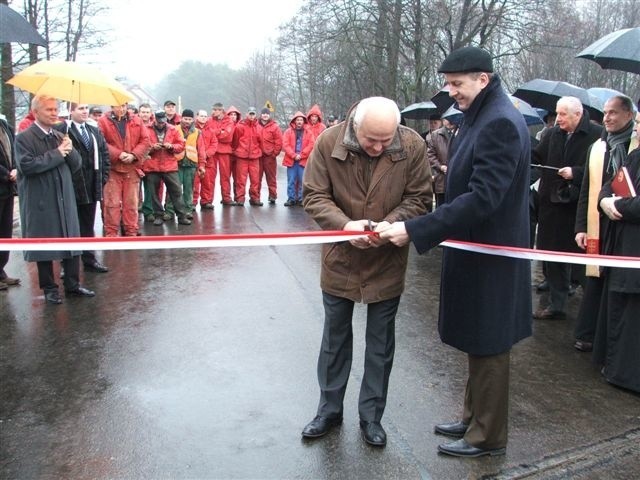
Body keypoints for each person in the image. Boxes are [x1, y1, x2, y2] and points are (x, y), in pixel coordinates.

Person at [381, 47, 532, 457]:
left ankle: (488, 436)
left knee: (490, 342)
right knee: (476, 337)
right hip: (476, 248)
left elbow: (483, 198)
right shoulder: (481, 114)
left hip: (492, 253)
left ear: (482, 78)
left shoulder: (499, 120)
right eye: (449, 83)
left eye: (457, 84)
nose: (451, 92)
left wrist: (415, 228)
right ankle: (472, 417)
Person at [301, 96, 432, 447]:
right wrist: (345, 226)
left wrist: (389, 225)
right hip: (340, 257)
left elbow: (421, 198)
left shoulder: (412, 144)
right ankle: (329, 409)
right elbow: (313, 195)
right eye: (371, 139)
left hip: (387, 257)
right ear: (355, 126)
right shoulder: (329, 141)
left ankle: (372, 416)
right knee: (334, 339)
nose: (377, 147)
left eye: (385, 140)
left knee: (380, 343)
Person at [15, 95, 95, 304]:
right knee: (44, 242)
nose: (54, 113)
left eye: (56, 109)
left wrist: (70, 149)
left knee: (70, 237)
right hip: (40, 198)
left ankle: (72, 284)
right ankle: (49, 287)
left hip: (64, 196)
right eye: (49, 109)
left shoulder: (60, 135)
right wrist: (58, 153)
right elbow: (28, 166)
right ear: (36, 112)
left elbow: (76, 166)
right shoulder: (24, 138)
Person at [573, 95, 636, 352]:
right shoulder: (598, 147)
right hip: (598, 221)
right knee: (595, 278)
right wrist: (581, 226)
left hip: (624, 224)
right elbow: (587, 190)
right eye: (605, 112)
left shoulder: (635, 147)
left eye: (613, 113)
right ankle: (588, 333)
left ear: (629, 116)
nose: (607, 117)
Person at [532, 97, 602, 319]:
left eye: (563, 114)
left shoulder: (596, 135)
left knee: (580, 261)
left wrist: (576, 173)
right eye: (557, 113)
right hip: (551, 206)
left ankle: (590, 312)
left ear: (578, 115)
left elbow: (601, 171)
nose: (558, 118)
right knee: (552, 259)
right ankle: (557, 304)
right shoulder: (552, 134)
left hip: (576, 208)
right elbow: (536, 157)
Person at [594, 111, 640, 393]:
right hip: (623, 247)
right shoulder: (635, 155)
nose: (637, 127)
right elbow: (611, 185)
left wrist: (617, 206)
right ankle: (616, 369)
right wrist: (605, 201)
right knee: (620, 311)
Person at [55, 103, 111, 273]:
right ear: (71, 111)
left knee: (87, 225)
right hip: (71, 186)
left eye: (86, 108)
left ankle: (89, 259)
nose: (85, 111)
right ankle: (67, 264)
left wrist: (103, 177)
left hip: (91, 185)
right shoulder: (62, 130)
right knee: (69, 226)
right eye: (80, 108)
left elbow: (104, 154)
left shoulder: (93, 131)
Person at [98, 103, 150, 237]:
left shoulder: (137, 121)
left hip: (132, 168)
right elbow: (101, 142)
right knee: (111, 203)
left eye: (123, 106)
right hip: (113, 169)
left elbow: (145, 141)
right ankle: (111, 232)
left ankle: (131, 231)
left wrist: (133, 155)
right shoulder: (103, 121)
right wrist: (118, 154)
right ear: (111, 106)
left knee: (132, 204)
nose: (121, 109)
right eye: (117, 106)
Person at [143, 111, 191, 226]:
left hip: (169, 165)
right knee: (154, 193)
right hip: (152, 166)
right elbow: (142, 146)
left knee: (176, 192)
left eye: (163, 122)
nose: (161, 124)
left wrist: (171, 147)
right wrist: (152, 148)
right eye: (159, 122)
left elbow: (181, 145)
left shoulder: (173, 129)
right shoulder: (145, 129)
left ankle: (182, 216)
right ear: (154, 119)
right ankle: (158, 215)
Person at [165, 109, 206, 219]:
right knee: (173, 188)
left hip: (191, 165)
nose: (187, 121)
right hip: (176, 164)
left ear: (193, 119)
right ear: (181, 118)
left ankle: (187, 210)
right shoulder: (174, 130)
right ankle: (169, 211)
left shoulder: (197, 132)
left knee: (189, 190)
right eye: (185, 119)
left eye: (189, 119)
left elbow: (201, 150)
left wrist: (202, 165)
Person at [0, 117, 20, 290]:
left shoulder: (5, 125)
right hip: (3, 179)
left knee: (5, 232)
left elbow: (13, 151)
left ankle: (1, 271)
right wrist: (6, 173)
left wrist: (15, 168)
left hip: (7, 189)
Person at [203, 103, 235, 207]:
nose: (214, 111)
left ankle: (226, 198)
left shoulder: (229, 121)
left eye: (217, 110)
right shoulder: (209, 120)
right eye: (213, 109)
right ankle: (208, 200)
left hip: (224, 152)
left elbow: (227, 136)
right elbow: (207, 134)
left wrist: (214, 133)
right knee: (210, 177)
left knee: (225, 176)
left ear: (222, 110)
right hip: (212, 151)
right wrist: (219, 132)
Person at [231, 107, 263, 206]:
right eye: (250, 114)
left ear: (255, 115)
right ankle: (240, 198)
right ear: (246, 114)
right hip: (242, 157)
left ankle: (254, 198)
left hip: (254, 157)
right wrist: (238, 151)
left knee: (255, 179)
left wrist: (258, 152)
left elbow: (261, 142)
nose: (252, 116)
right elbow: (235, 141)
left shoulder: (259, 128)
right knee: (241, 179)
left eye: (253, 114)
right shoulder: (240, 127)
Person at [282, 112, 314, 206]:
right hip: (291, 160)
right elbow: (285, 144)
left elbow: (311, 144)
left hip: (302, 160)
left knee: (302, 180)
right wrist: (293, 155)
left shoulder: (309, 132)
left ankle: (301, 199)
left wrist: (302, 155)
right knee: (291, 180)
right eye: (297, 120)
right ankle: (291, 198)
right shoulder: (288, 131)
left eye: (301, 120)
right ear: (294, 121)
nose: (299, 122)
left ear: (304, 121)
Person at [426, 117, 457, 208]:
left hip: (457, 178)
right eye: (448, 119)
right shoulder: (436, 135)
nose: (450, 121)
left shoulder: (462, 132)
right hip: (441, 180)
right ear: (443, 120)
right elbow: (430, 155)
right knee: (441, 208)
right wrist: (440, 167)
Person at [257, 107, 283, 204]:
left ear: (269, 115)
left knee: (271, 177)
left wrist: (274, 154)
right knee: (256, 178)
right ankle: (256, 196)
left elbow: (279, 142)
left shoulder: (275, 126)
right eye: (263, 113)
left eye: (267, 114)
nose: (265, 115)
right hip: (258, 156)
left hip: (270, 157)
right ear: (261, 114)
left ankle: (272, 195)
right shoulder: (256, 125)